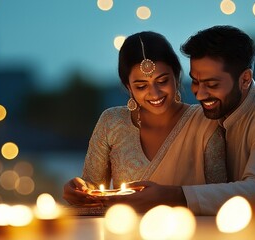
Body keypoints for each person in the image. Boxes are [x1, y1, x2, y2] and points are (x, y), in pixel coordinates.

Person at [100, 25, 255, 216]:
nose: (199, 94)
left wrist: (174, 195)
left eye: (211, 84)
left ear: (245, 79)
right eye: (196, 82)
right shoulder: (220, 116)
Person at [63, 31, 227, 206]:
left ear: (177, 76)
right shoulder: (112, 122)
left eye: (162, 81)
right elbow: (93, 190)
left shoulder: (205, 122)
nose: (154, 93)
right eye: (141, 86)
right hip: (125, 231)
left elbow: (220, 197)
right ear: (128, 88)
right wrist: (77, 190)